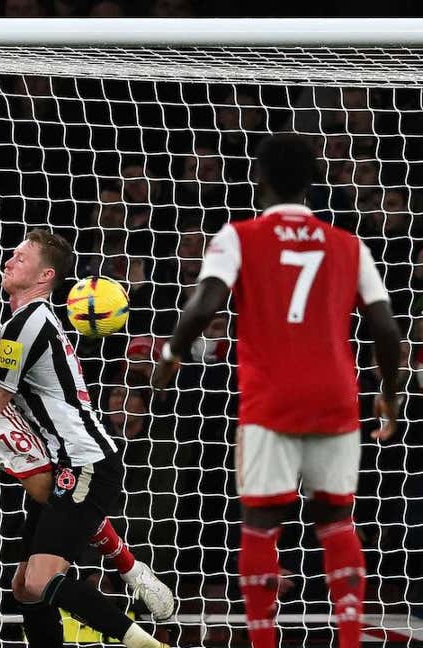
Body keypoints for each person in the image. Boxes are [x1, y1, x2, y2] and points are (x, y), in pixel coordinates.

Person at [153, 133, 402, 648]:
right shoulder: (350, 245)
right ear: (313, 183)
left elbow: (204, 306)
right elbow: (386, 330)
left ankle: (264, 642)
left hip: (270, 402)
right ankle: (350, 640)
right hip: (335, 398)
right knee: (336, 518)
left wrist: (172, 356)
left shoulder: (238, 236)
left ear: (259, 179)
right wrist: (389, 394)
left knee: (262, 522)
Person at [0, 257, 175, 646]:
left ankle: (142, 639)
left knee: (40, 580)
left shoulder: (29, 323)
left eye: (22, 256)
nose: (9, 260)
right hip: (67, 460)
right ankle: (132, 570)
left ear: (46, 275)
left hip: (86, 462)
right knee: (24, 588)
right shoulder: (22, 324)